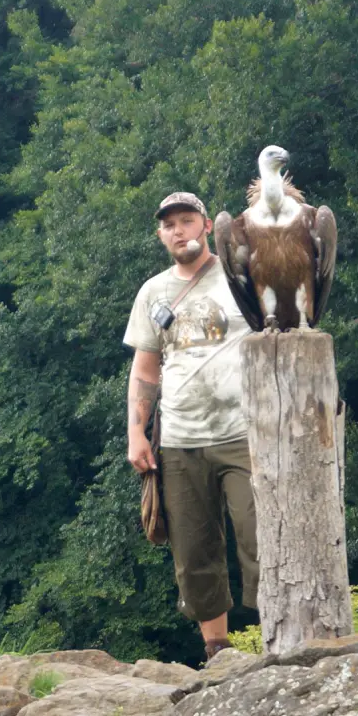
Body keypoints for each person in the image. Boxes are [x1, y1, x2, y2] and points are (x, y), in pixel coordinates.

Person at [123, 191, 259, 662]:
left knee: (261, 534)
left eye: (187, 220)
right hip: (180, 438)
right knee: (194, 549)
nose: (178, 230)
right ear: (160, 234)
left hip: (247, 431)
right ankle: (217, 652)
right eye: (169, 224)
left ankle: (283, 638)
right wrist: (136, 433)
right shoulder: (153, 292)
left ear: (206, 225)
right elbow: (145, 370)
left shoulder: (243, 273)